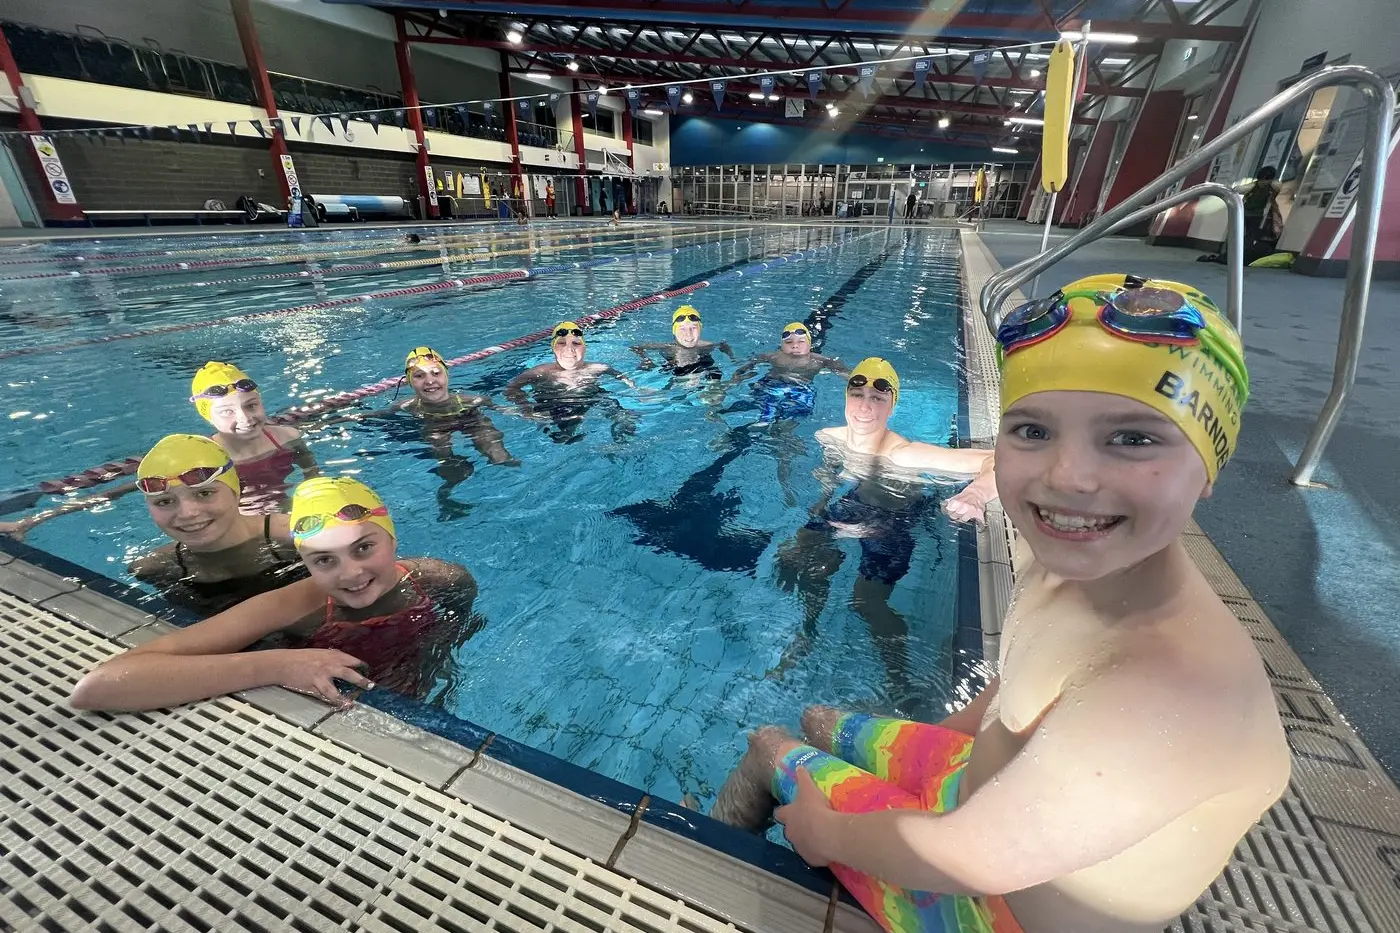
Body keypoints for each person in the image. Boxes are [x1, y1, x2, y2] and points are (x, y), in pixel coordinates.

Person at [711, 274, 1289, 933]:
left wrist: (827, 833)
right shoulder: (1072, 564)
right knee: (817, 719)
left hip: (995, 904)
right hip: (979, 796)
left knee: (767, 745)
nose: (1067, 477)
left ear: (1210, 462)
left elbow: (972, 857)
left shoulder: (1170, 693)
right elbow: (1022, 681)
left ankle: (707, 882)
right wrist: (946, 740)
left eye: (1132, 437)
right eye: (1033, 429)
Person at [70, 476, 483, 709]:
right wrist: (279, 665)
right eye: (324, 560)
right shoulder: (293, 607)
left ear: (393, 541)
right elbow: (99, 686)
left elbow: (448, 642)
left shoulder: (446, 582)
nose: (350, 573)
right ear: (305, 563)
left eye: (363, 548)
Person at [771, 358, 997, 705]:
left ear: (892, 405)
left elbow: (998, 460)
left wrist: (975, 494)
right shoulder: (827, 437)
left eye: (877, 398)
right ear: (846, 397)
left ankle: (898, 679)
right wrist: (819, 511)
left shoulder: (904, 454)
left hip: (891, 523)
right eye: (857, 394)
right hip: (853, 506)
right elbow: (830, 478)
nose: (864, 406)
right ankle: (807, 632)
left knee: (867, 603)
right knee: (797, 559)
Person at [2, 435, 307, 616]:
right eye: (164, 502)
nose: (187, 513)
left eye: (204, 493)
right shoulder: (153, 568)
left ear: (236, 489)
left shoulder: (297, 535)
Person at [392, 346, 519, 519]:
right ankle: (447, 496)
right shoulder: (406, 406)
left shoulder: (471, 400)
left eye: (436, 373)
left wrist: (516, 411)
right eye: (419, 376)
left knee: (500, 457)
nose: (429, 381)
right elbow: (375, 416)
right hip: (436, 428)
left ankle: (515, 493)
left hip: (471, 420)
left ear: (446, 375)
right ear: (409, 381)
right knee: (443, 454)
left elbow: (498, 407)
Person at [190, 362, 319, 513]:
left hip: (287, 508)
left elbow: (312, 474)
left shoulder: (288, 438)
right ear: (208, 418)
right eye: (227, 412)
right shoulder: (206, 460)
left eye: (251, 406)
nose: (245, 418)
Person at [504, 321, 639, 444]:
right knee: (562, 436)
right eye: (562, 343)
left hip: (593, 397)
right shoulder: (540, 372)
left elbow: (620, 376)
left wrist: (636, 388)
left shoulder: (597, 368)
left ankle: (624, 443)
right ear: (553, 348)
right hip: (553, 402)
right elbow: (511, 389)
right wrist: (526, 407)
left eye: (576, 343)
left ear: (585, 347)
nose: (569, 349)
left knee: (625, 417)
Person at [728, 322, 848, 425]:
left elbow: (845, 373)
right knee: (759, 406)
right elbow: (750, 363)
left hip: (801, 388)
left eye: (801, 341)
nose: (795, 346)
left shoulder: (820, 360)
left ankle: (782, 435)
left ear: (810, 345)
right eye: (789, 342)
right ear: (781, 346)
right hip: (771, 384)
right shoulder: (773, 356)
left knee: (789, 419)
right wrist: (738, 375)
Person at [629, 306, 735, 388]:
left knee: (716, 387)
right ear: (674, 332)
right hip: (676, 371)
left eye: (693, 328)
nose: (688, 334)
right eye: (682, 329)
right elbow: (635, 347)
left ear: (700, 329)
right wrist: (646, 360)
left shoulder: (708, 345)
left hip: (705, 368)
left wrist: (733, 358)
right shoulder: (668, 347)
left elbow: (723, 344)